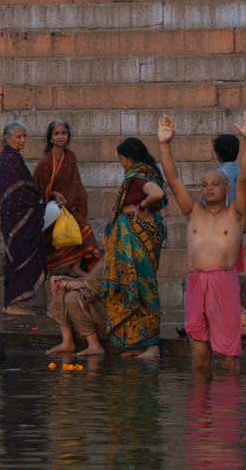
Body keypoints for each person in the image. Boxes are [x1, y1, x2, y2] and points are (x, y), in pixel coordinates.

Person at [158, 110, 246, 373]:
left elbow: (245, 178)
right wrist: (165, 144)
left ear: (227, 189)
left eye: (215, 184)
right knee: (200, 358)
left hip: (222, 283)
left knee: (228, 358)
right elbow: (173, 179)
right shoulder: (193, 212)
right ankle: (201, 411)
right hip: (195, 283)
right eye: (204, 185)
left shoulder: (235, 215)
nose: (209, 188)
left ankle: (226, 411)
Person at [101, 138, 167, 359]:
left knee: (145, 289)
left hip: (139, 238)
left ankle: (152, 346)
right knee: (136, 289)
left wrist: (139, 207)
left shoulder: (139, 175)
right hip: (135, 237)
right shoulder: (146, 172)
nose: (121, 164)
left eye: (121, 160)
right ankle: (138, 344)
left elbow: (157, 194)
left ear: (129, 158)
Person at [33, 120, 100, 277]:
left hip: (70, 207)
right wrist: (53, 194)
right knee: (47, 239)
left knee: (85, 231)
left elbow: (76, 183)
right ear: (51, 137)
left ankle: (75, 267)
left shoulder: (71, 157)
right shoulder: (46, 162)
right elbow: (37, 190)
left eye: (63, 133)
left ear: (68, 136)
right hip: (50, 210)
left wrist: (76, 204)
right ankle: (47, 273)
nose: (60, 137)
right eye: (56, 134)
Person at [0, 121, 47, 315]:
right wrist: (38, 201)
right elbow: (18, 192)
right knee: (17, 258)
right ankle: (11, 305)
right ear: (7, 138)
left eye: (24, 136)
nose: (23, 140)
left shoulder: (12, 157)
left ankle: (9, 303)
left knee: (17, 257)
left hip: (17, 218)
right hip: (18, 219)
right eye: (19, 137)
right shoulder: (9, 159)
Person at [200, 133, 246, 272]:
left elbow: (204, 202)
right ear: (237, 151)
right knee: (232, 274)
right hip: (236, 233)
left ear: (218, 154)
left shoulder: (217, 175)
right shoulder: (242, 173)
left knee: (214, 275)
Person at [47, 259, 106, 356]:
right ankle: (67, 342)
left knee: (73, 297)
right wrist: (62, 279)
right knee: (61, 288)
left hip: (112, 319)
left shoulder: (113, 259)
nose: (104, 242)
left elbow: (87, 285)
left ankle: (95, 345)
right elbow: (88, 280)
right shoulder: (106, 258)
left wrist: (64, 283)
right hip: (103, 311)